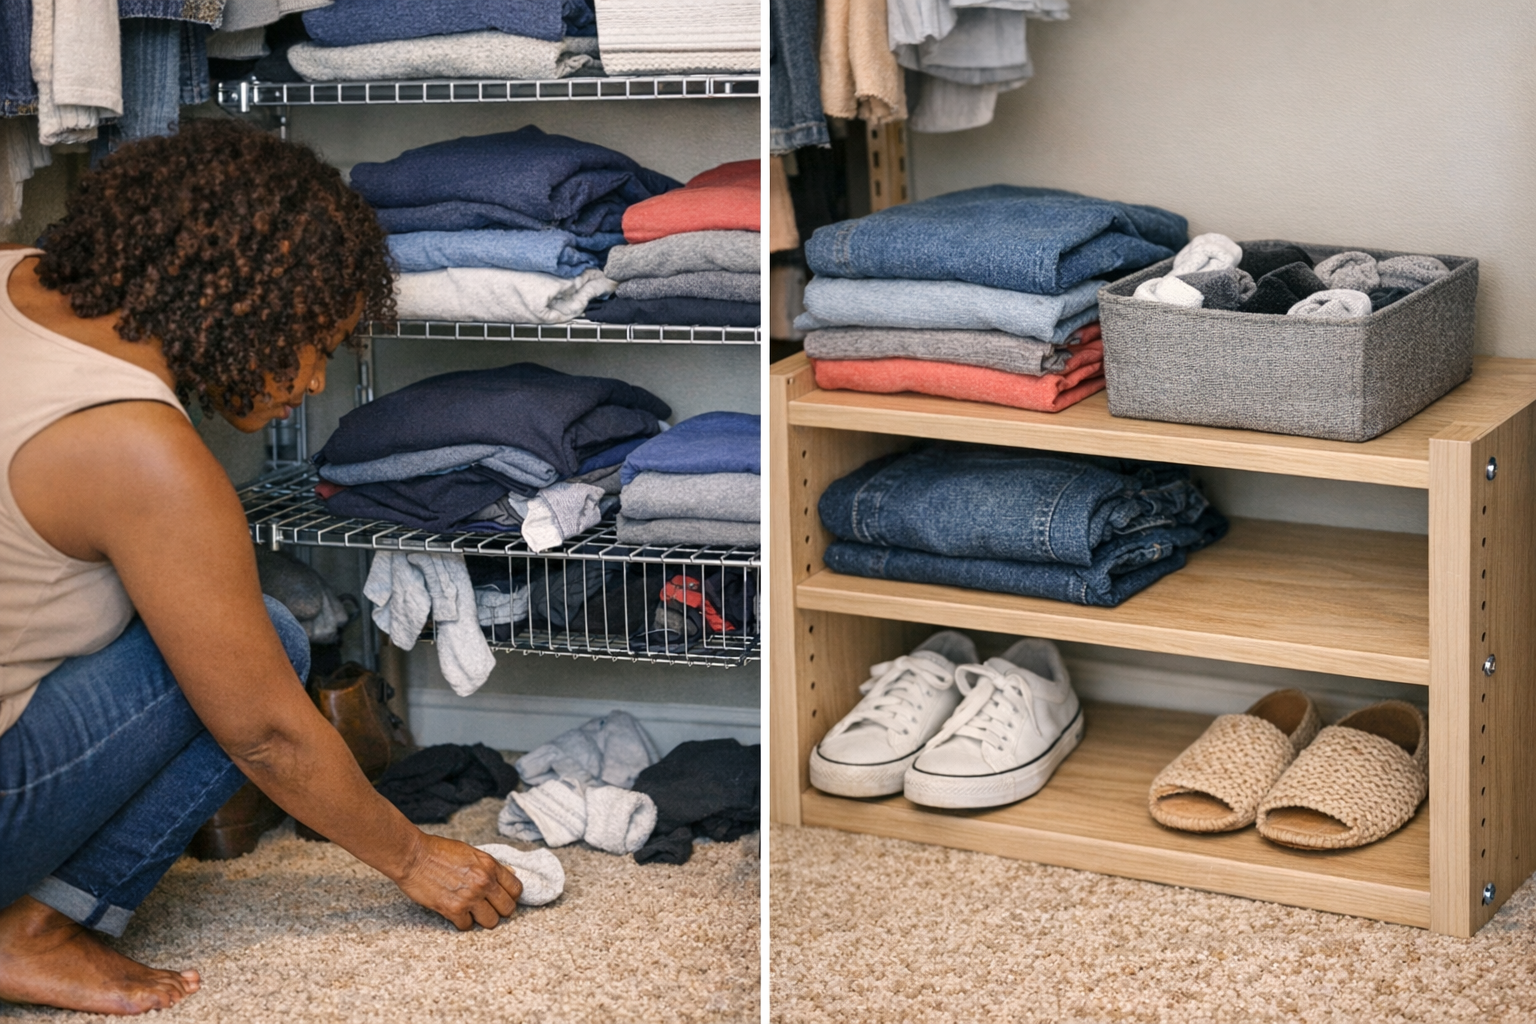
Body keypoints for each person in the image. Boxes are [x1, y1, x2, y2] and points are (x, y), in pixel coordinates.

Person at [0, 119, 523, 1016]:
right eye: (321, 343)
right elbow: (265, 735)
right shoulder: (140, 452)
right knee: (268, 643)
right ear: (251, 306)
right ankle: (32, 930)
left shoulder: (16, 271)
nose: (316, 382)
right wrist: (412, 857)